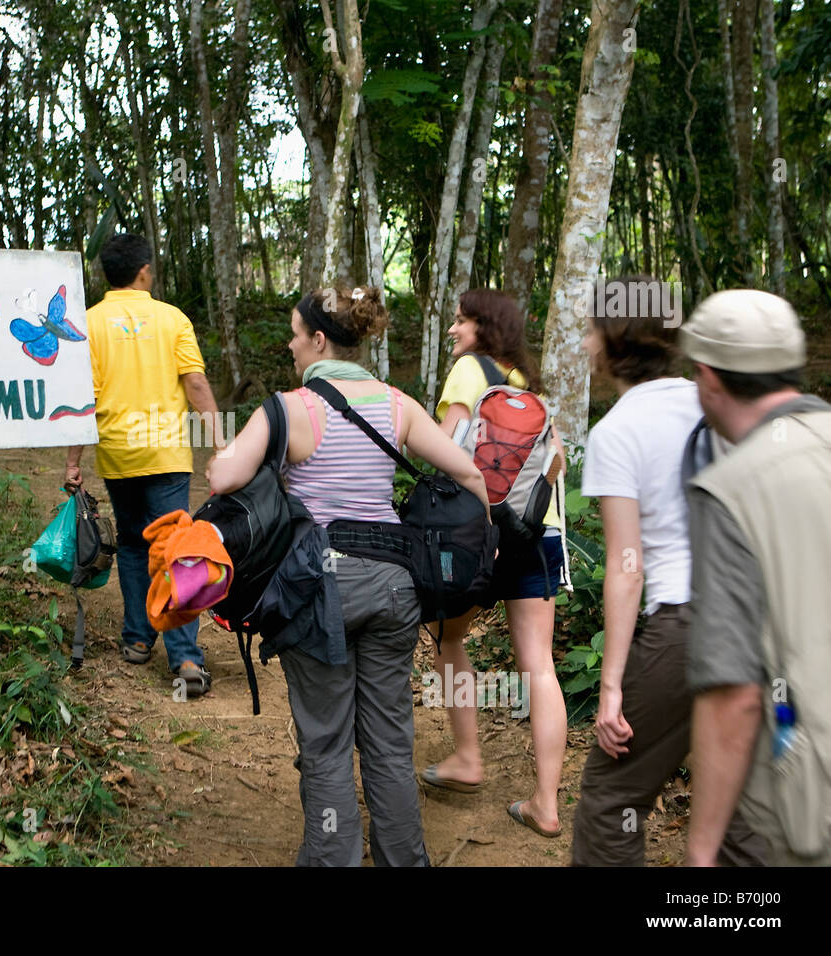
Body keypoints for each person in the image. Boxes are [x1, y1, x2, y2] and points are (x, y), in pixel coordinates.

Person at [207, 286, 489, 866]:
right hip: (394, 585)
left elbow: (223, 477)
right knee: (389, 740)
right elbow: (468, 473)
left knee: (327, 740)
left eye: (293, 333)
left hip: (319, 588)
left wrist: (227, 455)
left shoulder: (288, 408)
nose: (289, 344)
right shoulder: (397, 403)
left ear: (317, 339)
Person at [570, 277, 766, 866]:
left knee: (611, 799)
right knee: (741, 806)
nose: (583, 342)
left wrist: (610, 690)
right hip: (754, 619)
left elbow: (627, 569)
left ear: (612, 341)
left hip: (684, 627)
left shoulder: (617, 432)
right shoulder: (718, 404)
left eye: (589, 330)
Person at [679, 289, 831, 866]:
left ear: (709, 377)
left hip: (814, 803)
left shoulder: (732, 488)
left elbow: (734, 696)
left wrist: (699, 854)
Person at [419, 289, 569, 840]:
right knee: (541, 667)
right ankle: (547, 804)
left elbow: (445, 450)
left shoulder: (468, 373)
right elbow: (554, 464)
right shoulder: (527, 387)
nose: (454, 329)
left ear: (482, 327)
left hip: (477, 536)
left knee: (447, 638)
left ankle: (467, 758)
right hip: (537, 532)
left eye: (461, 320)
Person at [64, 233, 225, 697]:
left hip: (117, 454)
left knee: (134, 545)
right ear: (142, 272)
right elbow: (194, 383)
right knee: (175, 548)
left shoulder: (89, 323)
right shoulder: (172, 318)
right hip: (166, 453)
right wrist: (220, 443)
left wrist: (73, 462)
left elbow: (83, 400)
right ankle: (186, 658)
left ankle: (137, 639)